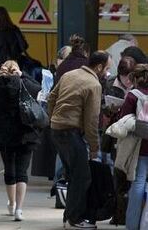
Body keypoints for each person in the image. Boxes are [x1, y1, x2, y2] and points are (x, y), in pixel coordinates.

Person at [48, 51, 111, 229]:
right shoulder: (93, 84)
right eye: (106, 69)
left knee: (72, 174)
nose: (106, 73)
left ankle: (68, 216)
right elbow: (92, 120)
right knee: (82, 176)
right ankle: (74, 219)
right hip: (71, 132)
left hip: (56, 129)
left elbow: (51, 97)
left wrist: (53, 118)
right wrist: (94, 147)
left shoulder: (69, 74)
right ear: (98, 67)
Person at [0, 60, 41, 222]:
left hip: (5, 135)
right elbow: (38, 87)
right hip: (26, 134)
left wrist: (0, 76)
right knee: (22, 172)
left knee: (9, 170)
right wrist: (23, 75)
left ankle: (11, 204)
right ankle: (19, 209)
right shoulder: (25, 84)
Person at [118, 64, 148, 230]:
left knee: (138, 183)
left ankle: (132, 225)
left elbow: (124, 121)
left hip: (139, 146)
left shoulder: (132, 96)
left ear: (136, 78)